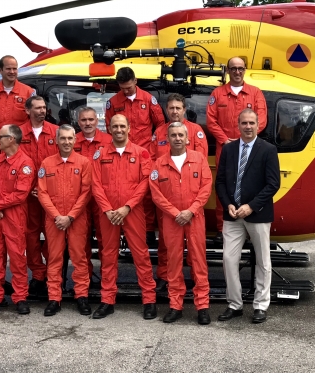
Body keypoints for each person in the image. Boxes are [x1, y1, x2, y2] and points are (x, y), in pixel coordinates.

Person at [215, 109, 280, 324]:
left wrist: (251, 206)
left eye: (252, 122)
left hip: (258, 214)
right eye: (244, 122)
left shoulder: (268, 150)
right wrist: (228, 205)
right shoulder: (229, 149)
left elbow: (273, 184)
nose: (248, 126)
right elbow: (221, 182)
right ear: (238, 124)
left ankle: (260, 306)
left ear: (258, 124)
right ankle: (234, 305)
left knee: (263, 261)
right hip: (232, 214)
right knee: (228, 259)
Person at [90, 114, 157, 320]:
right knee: (108, 256)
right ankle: (107, 300)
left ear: (129, 128)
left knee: (141, 255)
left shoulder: (141, 153)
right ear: (109, 129)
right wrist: (107, 209)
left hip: (132, 211)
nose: (118, 130)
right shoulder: (100, 154)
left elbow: (145, 183)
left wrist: (127, 207)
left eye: (122, 126)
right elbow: (95, 184)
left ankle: (149, 300)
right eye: (115, 126)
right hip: (108, 213)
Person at [149, 122, 212, 325]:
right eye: (173, 135)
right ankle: (175, 305)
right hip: (171, 219)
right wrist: (176, 213)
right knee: (173, 263)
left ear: (187, 138)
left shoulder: (199, 159)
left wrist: (191, 211)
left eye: (180, 135)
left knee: (198, 262)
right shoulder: (159, 164)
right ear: (167, 138)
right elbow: (156, 194)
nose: (177, 138)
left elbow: (206, 188)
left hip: (194, 218)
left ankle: (202, 306)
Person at [149, 93, 208, 291]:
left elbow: (202, 165)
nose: (174, 111)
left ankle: (194, 277)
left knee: (195, 248)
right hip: (167, 198)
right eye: (171, 108)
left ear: (184, 109)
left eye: (178, 108)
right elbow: (152, 162)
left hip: (191, 200)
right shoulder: (159, 132)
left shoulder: (196, 131)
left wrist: (191, 208)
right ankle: (165, 276)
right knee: (166, 243)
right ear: (167, 110)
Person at [105, 66, 165, 249]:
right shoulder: (113, 102)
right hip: (123, 153)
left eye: (129, 88)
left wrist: (154, 149)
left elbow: (160, 125)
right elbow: (109, 127)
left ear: (135, 81)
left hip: (144, 153)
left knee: (145, 193)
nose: (126, 91)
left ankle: (147, 231)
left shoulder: (148, 99)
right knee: (123, 190)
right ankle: (123, 229)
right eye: (122, 88)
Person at [207, 56, 267, 238]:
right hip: (225, 148)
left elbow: (261, 120)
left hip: (249, 147)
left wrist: (244, 138)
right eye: (233, 68)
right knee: (223, 185)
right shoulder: (217, 94)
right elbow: (211, 121)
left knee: (249, 183)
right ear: (227, 70)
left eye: (240, 68)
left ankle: (248, 226)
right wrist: (225, 141)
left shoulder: (255, 93)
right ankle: (221, 227)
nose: (237, 72)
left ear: (245, 70)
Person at [37, 125, 93, 316]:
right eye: (63, 139)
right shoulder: (47, 164)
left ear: (75, 141)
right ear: (56, 140)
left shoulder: (84, 163)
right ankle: (54, 298)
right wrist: (56, 216)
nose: (67, 142)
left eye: (70, 138)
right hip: (54, 219)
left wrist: (70, 216)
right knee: (54, 259)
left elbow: (86, 193)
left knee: (79, 258)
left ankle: (81, 296)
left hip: (76, 218)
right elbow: (42, 193)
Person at [0, 124, 35, 316]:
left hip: (14, 217)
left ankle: (20, 297)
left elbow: (21, 194)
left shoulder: (25, 163)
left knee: (17, 258)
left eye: (1, 137)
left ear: (11, 139)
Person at [19, 96, 59, 296]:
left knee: (53, 238)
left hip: (51, 196)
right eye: (37, 108)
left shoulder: (55, 132)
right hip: (27, 197)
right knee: (30, 237)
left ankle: (52, 274)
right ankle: (37, 274)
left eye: (44, 107)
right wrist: (28, 189)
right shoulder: (18, 133)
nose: (42, 111)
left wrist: (46, 188)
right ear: (27, 110)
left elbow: (62, 162)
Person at [74, 106, 112, 277]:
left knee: (106, 239)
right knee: (81, 240)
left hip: (102, 197)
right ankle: (85, 276)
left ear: (97, 121)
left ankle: (107, 277)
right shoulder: (71, 141)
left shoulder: (108, 141)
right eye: (84, 120)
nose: (87, 123)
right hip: (78, 197)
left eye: (91, 120)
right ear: (78, 122)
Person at [0, 55, 36, 134]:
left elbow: (34, 121)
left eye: (14, 69)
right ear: (0, 70)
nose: (12, 72)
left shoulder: (28, 92)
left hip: (19, 142)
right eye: (8, 69)